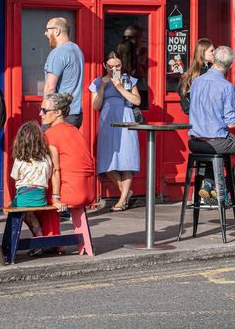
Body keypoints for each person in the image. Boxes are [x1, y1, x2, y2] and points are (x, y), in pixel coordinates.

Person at [188, 46, 235, 203]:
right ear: (231, 65)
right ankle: (225, 188)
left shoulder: (196, 82)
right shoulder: (226, 86)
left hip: (195, 142)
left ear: (213, 60)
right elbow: (232, 123)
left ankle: (209, 182)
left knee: (217, 151)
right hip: (216, 142)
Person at [36, 93, 96, 237]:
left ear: (58, 113)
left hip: (72, 193)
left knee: (33, 199)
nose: (40, 114)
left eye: (44, 110)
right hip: (89, 191)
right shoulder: (75, 130)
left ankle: (50, 240)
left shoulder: (50, 134)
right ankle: (55, 241)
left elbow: (53, 169)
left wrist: (56, 197)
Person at [90, 52, 140, 211]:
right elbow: (95, 106)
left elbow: (137, 100)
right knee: (107, 160)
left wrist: (119, 87)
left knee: (127, 159)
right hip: (107, 122)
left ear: (121, 65)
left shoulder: (128, 80)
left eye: (117, 66)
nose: (114, 69)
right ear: (105, 66)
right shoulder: (98, 82)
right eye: (110, 66)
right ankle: (126, 192)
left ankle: (122, 200)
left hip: (126, 118)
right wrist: (102, 87)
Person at [10, 121, 54, 237]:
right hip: (41, 198)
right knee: (29, 212)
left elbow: (15, 177)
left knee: (13, 208)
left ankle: (12, 238)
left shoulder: (20, 159)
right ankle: (38, 233)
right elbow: (49, 176)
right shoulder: (46, 158)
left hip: (23, 198)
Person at [43, 18, 85, 128]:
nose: (46, 33)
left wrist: (44, 110)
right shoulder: (77, 50)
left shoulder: (58, 53)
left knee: (46, 139)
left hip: (59, 115)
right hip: (75, 114)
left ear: (57, 31)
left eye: (48, 30)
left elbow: (50, 87)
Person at [178, 37, 215, 114]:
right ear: (203, 53)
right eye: (211, 51)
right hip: (204, 115)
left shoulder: (208, 69)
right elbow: (181, 89)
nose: (214, 53)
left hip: (202, 115)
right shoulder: (202, 72)